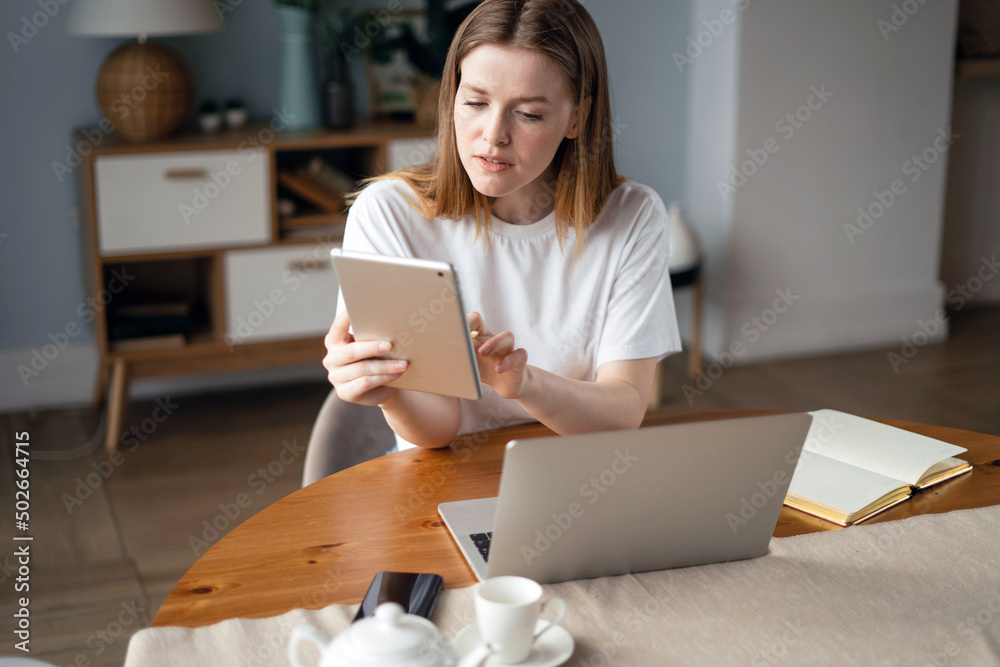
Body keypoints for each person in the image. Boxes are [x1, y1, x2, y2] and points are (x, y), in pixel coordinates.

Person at [319, 0, 681, 456]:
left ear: (577, 117)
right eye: (474, 102)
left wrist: (522, 381)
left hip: (581, 477)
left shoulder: (630, 216)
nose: (493, 135)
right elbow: (440, 430)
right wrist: (389, 392)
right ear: (451, 97)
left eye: (528, 114)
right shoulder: (391, 215)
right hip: (444, 481)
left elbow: (622, 411)